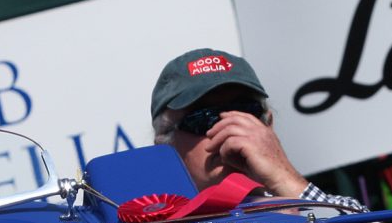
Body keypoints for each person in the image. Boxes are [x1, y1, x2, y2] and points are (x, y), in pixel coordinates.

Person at [150, 48, 366, 212]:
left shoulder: (337, 210)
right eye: (203, 118)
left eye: (246, 111)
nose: (228, 126)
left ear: (267, 125)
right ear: (164, 146)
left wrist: (283, 178)